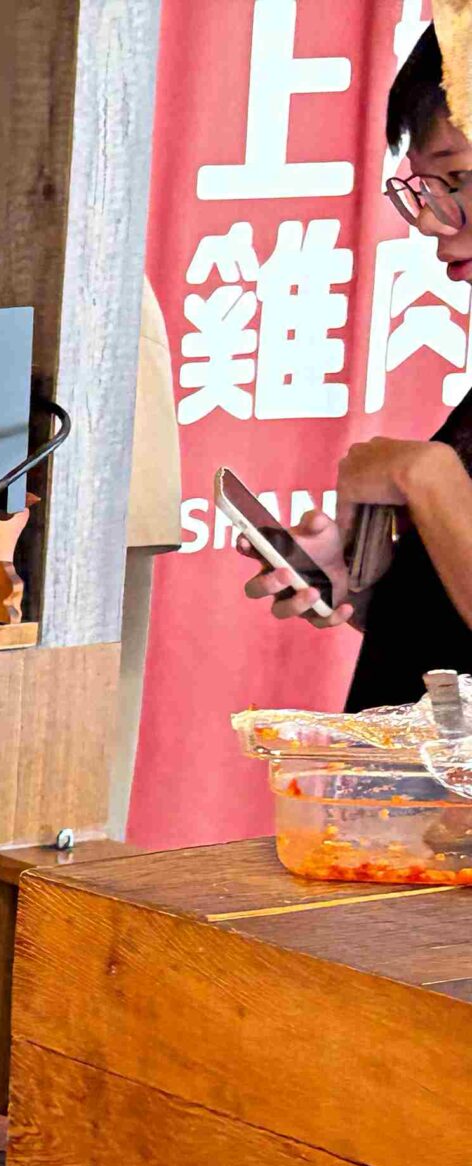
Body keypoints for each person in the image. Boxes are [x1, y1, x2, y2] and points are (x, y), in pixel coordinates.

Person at [244, 23, 472, 709]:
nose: (435, 222)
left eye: (459, 178)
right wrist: (365, 583)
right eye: (429, 187)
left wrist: (423, 476)